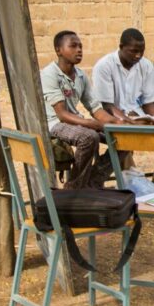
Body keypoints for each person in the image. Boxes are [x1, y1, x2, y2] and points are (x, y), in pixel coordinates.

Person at [93, 28, 154, 184]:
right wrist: (128, 120)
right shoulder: (104, 66)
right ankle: (131, 183)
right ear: (121, 46)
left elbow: (149, 103)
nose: (138, 55)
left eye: (141, 51)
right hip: (114, 117)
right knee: (123, 131)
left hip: (139, 115)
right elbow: (107, 105)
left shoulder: (146, 66)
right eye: (133, 51)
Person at [41, 31, 119, 189]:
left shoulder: (81, 76)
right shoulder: (50, 74)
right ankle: (74, 187)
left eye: (81, 46)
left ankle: (93, 181)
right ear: (58, 50)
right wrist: (92, 124)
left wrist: (118, 122)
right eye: (73, 46)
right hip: (55, 123)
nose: (79, 50)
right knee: (88, 137)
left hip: (74, 121)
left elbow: (96, 109)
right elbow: (62, 115)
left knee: (123, 139)